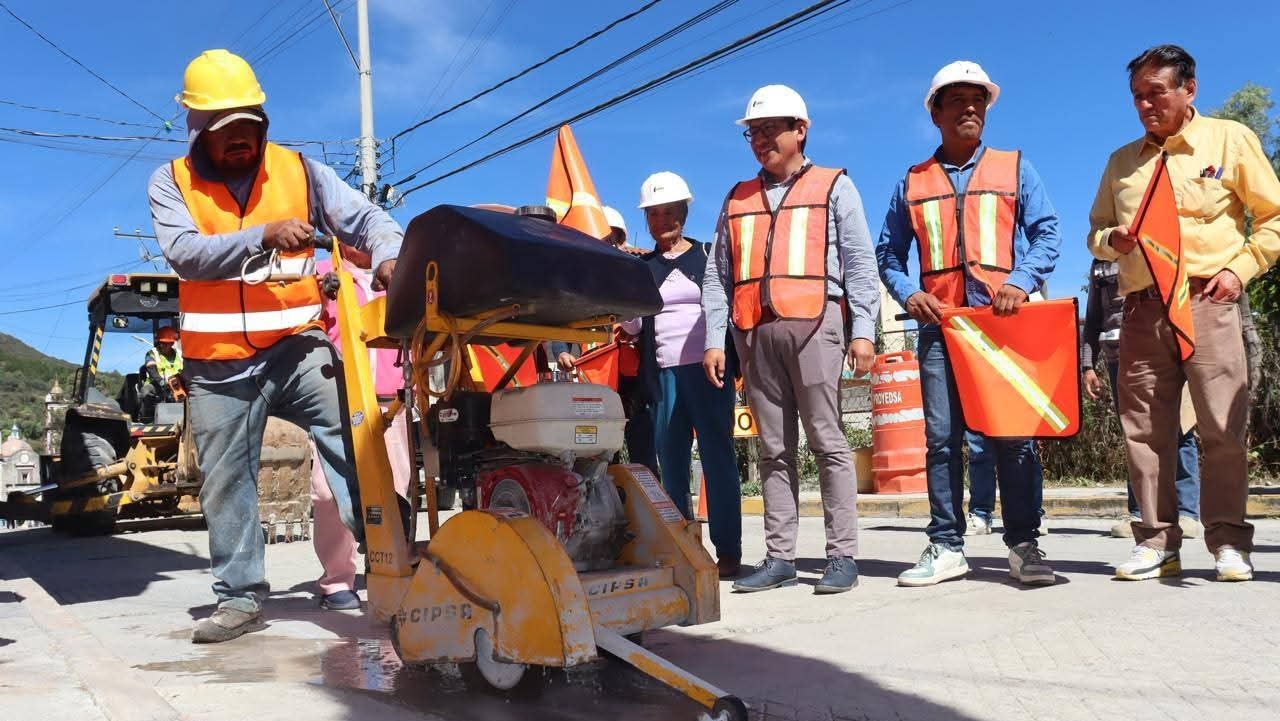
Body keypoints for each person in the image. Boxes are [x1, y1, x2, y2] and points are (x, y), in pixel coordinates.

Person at [148, 49, 402, 642]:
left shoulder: (301, 172)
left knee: (354, 431)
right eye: (224, 130)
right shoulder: (171, 182)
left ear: (264, 119)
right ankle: (239, 598)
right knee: (226, 478)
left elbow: (365, 219)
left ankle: (393, 558)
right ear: (196, 129)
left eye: (249, 126)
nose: (240, 140)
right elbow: (185, 252)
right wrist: (259, 235)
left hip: (295, 346)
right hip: (218, 367)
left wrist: (389, 252)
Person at [1088, 45, 1280, 582]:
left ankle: (1227, 542)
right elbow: (1095, 232)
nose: (1146, 105)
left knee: (1221, 425)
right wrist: (1112, 240)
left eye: (1157, 92)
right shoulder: (1120, 163)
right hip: (1142, 309)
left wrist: (1240, 271)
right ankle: (1156, 542)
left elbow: (1273, 218)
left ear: (1189, 89)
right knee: (1145, 430)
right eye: (1138, 97)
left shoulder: (1230, 140)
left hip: (1208, 301)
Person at [877, 61, 1061, 587]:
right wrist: (910, 293)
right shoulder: (912, 182)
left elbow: (1047, 233)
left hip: (1002, 327)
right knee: (940, 438)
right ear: (934, 113)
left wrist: (1021, 281)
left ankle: (1024, 543)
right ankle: (946, 544)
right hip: (942, 328)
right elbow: (888, 252)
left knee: (1014, 436)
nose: (970, 108)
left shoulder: (1015, 167)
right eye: (956, 99)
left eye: (977, 99)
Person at [702, 85, 879, 594]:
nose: (760, 140)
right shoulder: (735, 199)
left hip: (816, 327)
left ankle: (842, 555)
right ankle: (779, 557)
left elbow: (860, 264)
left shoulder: (833, 186)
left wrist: (862, 330)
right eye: (753, 132)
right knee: (773, 450)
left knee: (828, 442)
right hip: (753, 334)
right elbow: (718, 276)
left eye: (770, 129)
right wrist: (717, 339)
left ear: (800, 129)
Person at [621, 171, 741, 578]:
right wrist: (622, 302)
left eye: (670, 212)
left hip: (708, 373)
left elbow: (724, 310)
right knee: (670, 464)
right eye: (653, 215)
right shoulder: (641, 269)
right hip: (663, 376)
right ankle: (684, 550)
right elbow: (636, 328)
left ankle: (728, 550)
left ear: (685, 214)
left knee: (717, 458)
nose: (662, 222)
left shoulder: (708, 256)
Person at [308, 248, 413, 611]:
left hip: (390, 401)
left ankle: (386, 566)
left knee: (394, 485)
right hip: (338, 399)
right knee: (327, 492)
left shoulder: (396, 275)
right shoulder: (324, 272)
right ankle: (337, 579)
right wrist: (318, 293)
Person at [1080, 258, 1202, 539]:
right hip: (1118, 356)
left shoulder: (1161, 242)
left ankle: (1187, 513)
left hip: (1166, 349)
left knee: (1180, 427)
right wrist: (1088, 366)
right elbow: (1094, 316)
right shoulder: (1101, 260)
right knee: (1136, 432)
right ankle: (1140, 513)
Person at [553, 207, 658, 473]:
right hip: (591, 383)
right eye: (602, 239)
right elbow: (558, 322)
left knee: (642, 452)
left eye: (613, 239)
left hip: (631, 383)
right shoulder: (574, 284)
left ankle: (649, 504)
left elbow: (638, 326)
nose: (608, 245)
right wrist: (561, 351)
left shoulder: (635, 275)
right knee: (594, 453)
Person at [140, 326, 183, 415]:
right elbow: (152, 370)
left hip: (177, 385)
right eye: (162, 343)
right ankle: (147, 418)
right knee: (146, 392)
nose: (164, 345)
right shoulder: (152, 353)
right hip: (157, 384)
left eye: (167, 343)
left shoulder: (179, 353)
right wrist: (162, 382)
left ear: (172, 343)